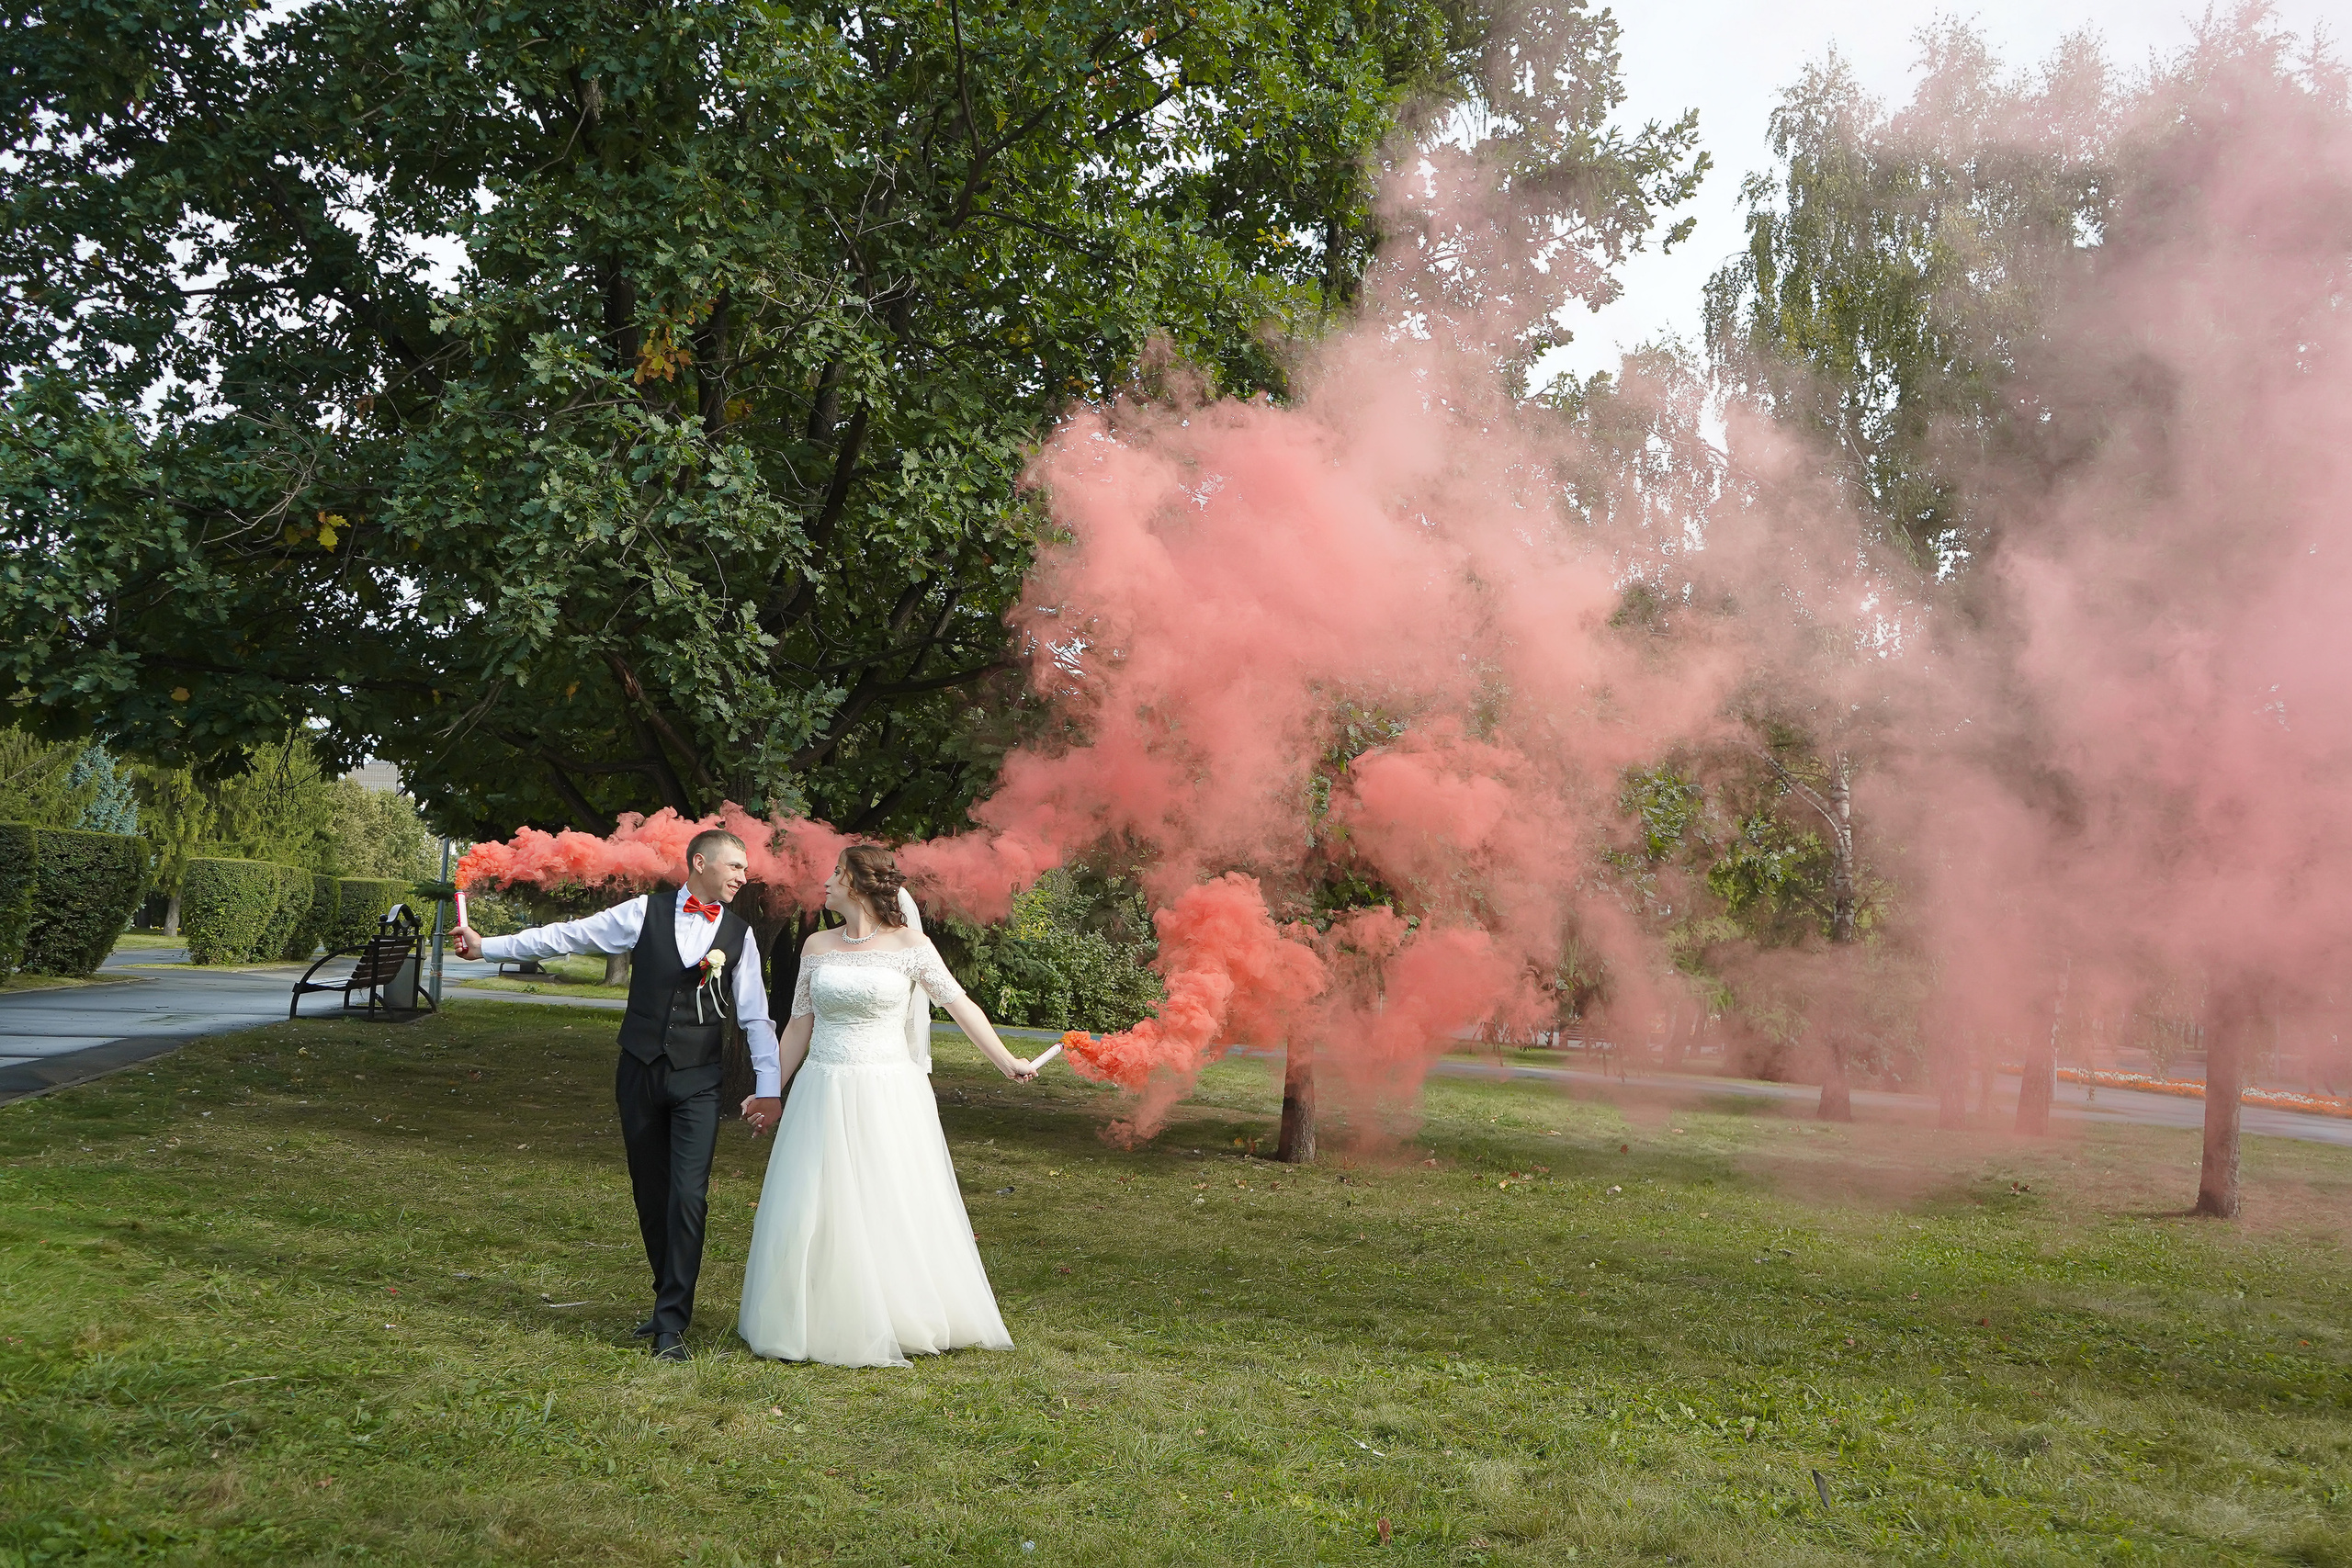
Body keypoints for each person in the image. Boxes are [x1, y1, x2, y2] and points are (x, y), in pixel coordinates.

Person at [451, 829, 776, 1363]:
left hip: (698, 1079)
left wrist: (768, 1089)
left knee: (688, 1197)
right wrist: (489, 947)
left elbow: (756, 1019)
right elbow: (568, 937)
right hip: (640, 1072)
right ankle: (664, 1300)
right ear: (700, 863)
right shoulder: (641, 913)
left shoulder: (741, 934)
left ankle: (672, 1324)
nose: (744, 876)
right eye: (735, 865)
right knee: (650, 1193)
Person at [736, 844, 1041, 1368]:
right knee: (817, 1198)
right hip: (823, 1089)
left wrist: (1006, 1059)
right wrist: (770, 1089)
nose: (826, 882)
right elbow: (799, 1026)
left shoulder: (911, 945)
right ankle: (821, 1311)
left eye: (835, 873)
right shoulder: (816, 946)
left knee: (889, 1196)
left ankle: (899, 1311)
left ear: (856, 883)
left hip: (888, 1090)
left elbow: (958, 1004)